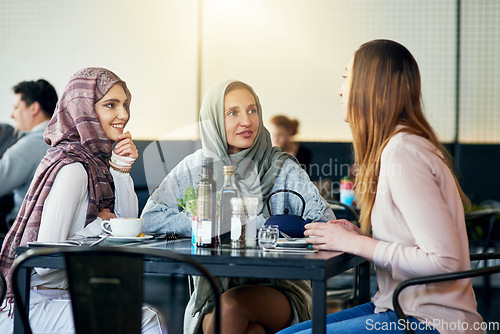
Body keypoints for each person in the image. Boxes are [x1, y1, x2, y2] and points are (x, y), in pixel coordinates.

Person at [277, 40, 483, 334]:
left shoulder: (403, 151)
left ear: (370, 86)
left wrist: (356, 244)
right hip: (397, 307)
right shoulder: (399, 146)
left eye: (346, 77)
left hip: (430, 322)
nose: (339, 90)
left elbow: (445, 262)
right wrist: (362, 236)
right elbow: (414, 243)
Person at [141, 80, 335, 334]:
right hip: (213, 290)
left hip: (281, 288)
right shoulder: (196, 167)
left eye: (252, 110)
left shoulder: (281, 166)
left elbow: (323, 218)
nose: (247, 121)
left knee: (232, 306)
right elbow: (151, 218)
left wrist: (273, 228)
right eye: (233, 113)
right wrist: (207, 221)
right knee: (247, 328)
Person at [0, 67, 163, 334]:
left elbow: (127, 227)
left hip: (66, 294)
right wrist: (101, 225)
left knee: (146, 315)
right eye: (111, 105)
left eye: (125, 104)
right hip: (32, 302)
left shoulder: (97, 163)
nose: (123, 114)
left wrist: (121, 170)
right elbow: (42, 264)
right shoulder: (73, 169)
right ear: (84, 109)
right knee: (147, 320)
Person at [0, 80, 58, 230]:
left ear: (34, 108)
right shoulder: (63, 140)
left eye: (16, 107)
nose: (12, 115)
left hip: (20, 235)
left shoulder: (31, 144)